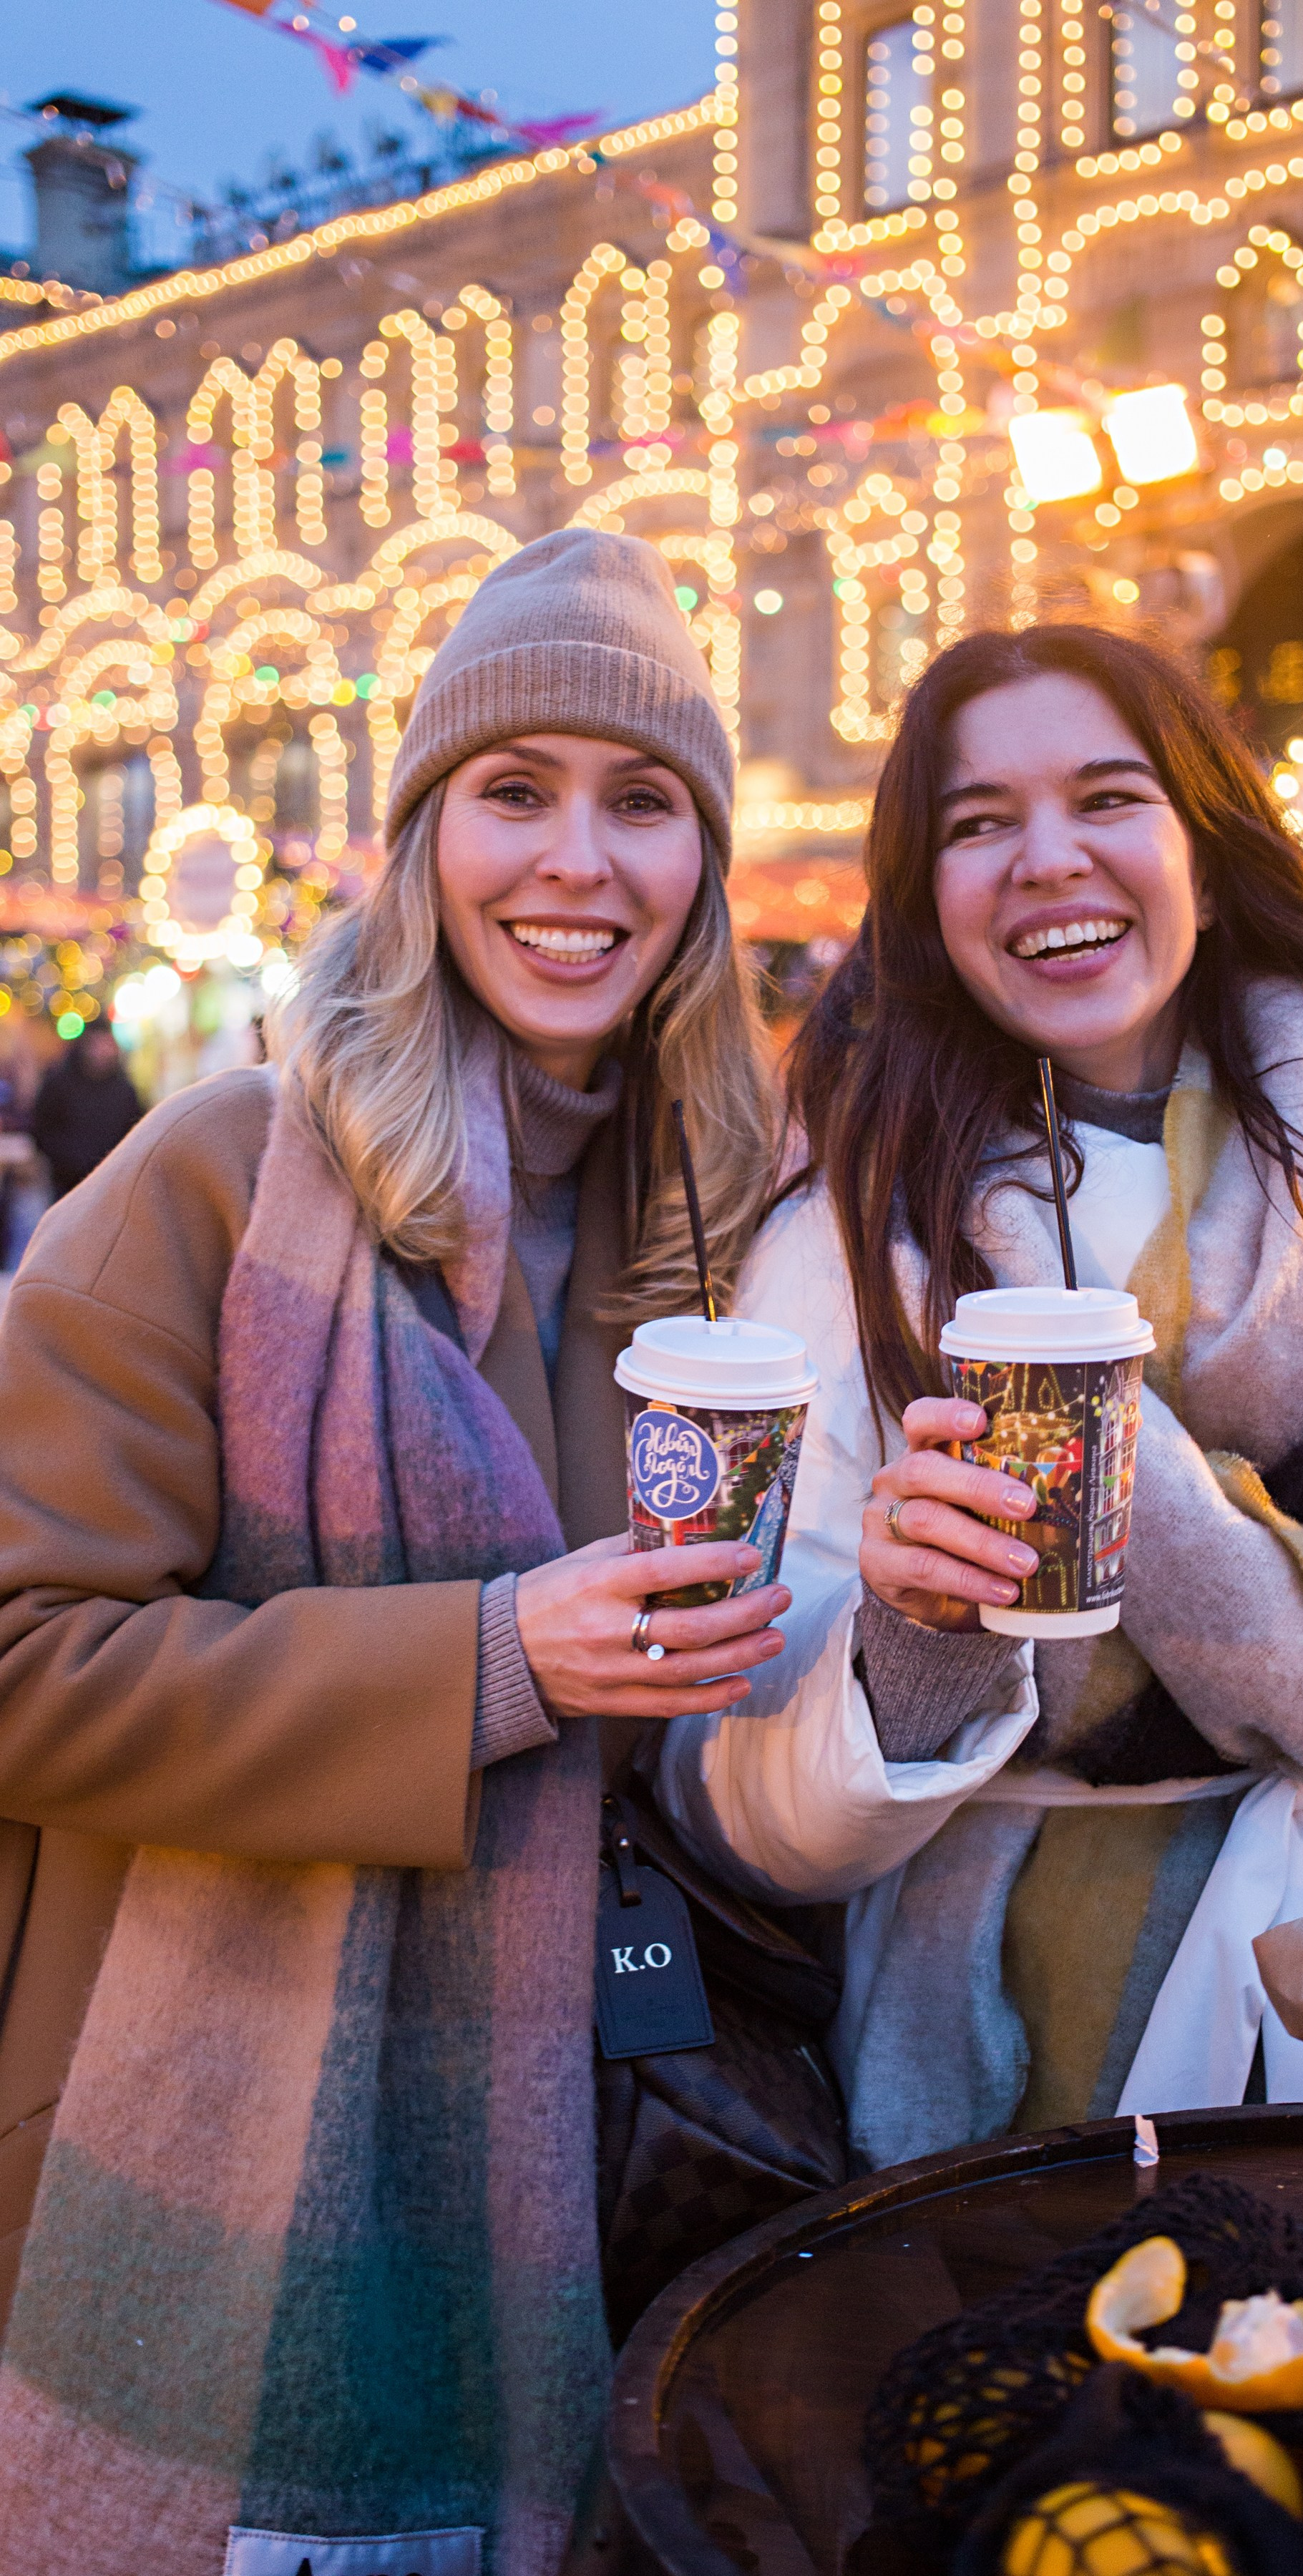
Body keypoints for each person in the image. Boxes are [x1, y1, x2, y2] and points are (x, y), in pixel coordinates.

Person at [652, 622, 1303, 2176]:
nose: (1048, 858)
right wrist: (914, 1649)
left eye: (1108, 798)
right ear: (927, 903)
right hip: (1010, 2066)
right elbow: (734, 1794)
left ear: (1205, 860)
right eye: (977, 823)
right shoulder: (847, 1247)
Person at [0, 532, 781, 2574]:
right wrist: (492, 1661)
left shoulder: (739, 1225)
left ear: (702, 864)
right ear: (425, 832)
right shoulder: (215, 1180)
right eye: (514, 791)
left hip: (639, 2142)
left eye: (641, 802)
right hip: (217, 2143)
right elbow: (23, 1662)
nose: (576, 863)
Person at [29, 1015, 142, 1199]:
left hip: (112, 1182)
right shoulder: (58, 1084)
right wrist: (69, 1159)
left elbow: (135, 1129)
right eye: (96, 1044)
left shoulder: (124, 1089)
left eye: (106, 1044)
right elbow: (42, 1129)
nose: (101, 1051)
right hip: (67, 1184)